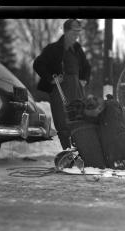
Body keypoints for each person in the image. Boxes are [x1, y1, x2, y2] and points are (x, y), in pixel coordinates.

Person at [33, 19, 91, 150]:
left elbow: (87, 67)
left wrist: (84, 79)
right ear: (65, 31)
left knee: (79, 120)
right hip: (60, 90)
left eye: (78, 32)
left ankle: (81, 152)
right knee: (63, 122)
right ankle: (67, 153)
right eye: (73, 32)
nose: (76, 35)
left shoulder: (77, 49)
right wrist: (50, 79)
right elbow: (38, 64)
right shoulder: (53, 49)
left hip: (77, 89)